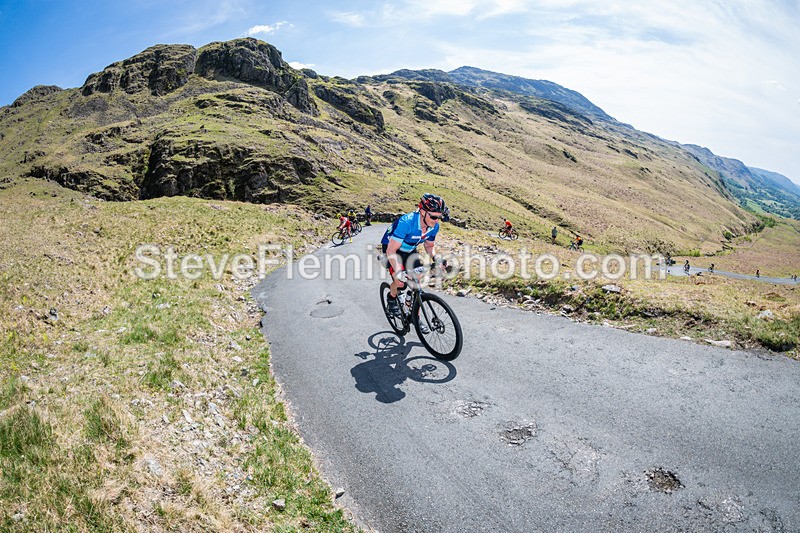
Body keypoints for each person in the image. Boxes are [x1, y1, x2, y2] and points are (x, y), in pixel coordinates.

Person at [384, 193, 448, 316]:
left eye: (439, 218)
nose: (436, 221)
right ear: (423, 212)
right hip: (392, 249)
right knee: (401, 283)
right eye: (434, 217)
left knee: (416, 283)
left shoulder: (434, 227)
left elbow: (429, 246)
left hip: (409, 250)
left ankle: (415, 317)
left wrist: (436, 258)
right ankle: (391, 298)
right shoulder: (407, 222)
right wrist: (399, 272)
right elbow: (391, 251)